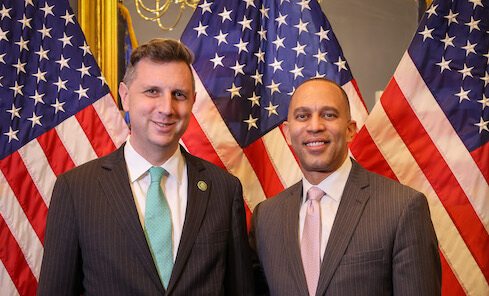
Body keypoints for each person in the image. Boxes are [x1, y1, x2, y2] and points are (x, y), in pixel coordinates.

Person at [37, 38, 253, 296]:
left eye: (179, 95)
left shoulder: (224, 189)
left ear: (192, 101)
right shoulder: (76, 189)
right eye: (152, 91)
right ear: (126, 97)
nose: (166, 108)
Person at [249, 78, 441, 296]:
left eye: (328, 115)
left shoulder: (402, 208)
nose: (315, 126)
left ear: (350, 130)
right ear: (287, 133)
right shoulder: (265, 217)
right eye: (303, 116)